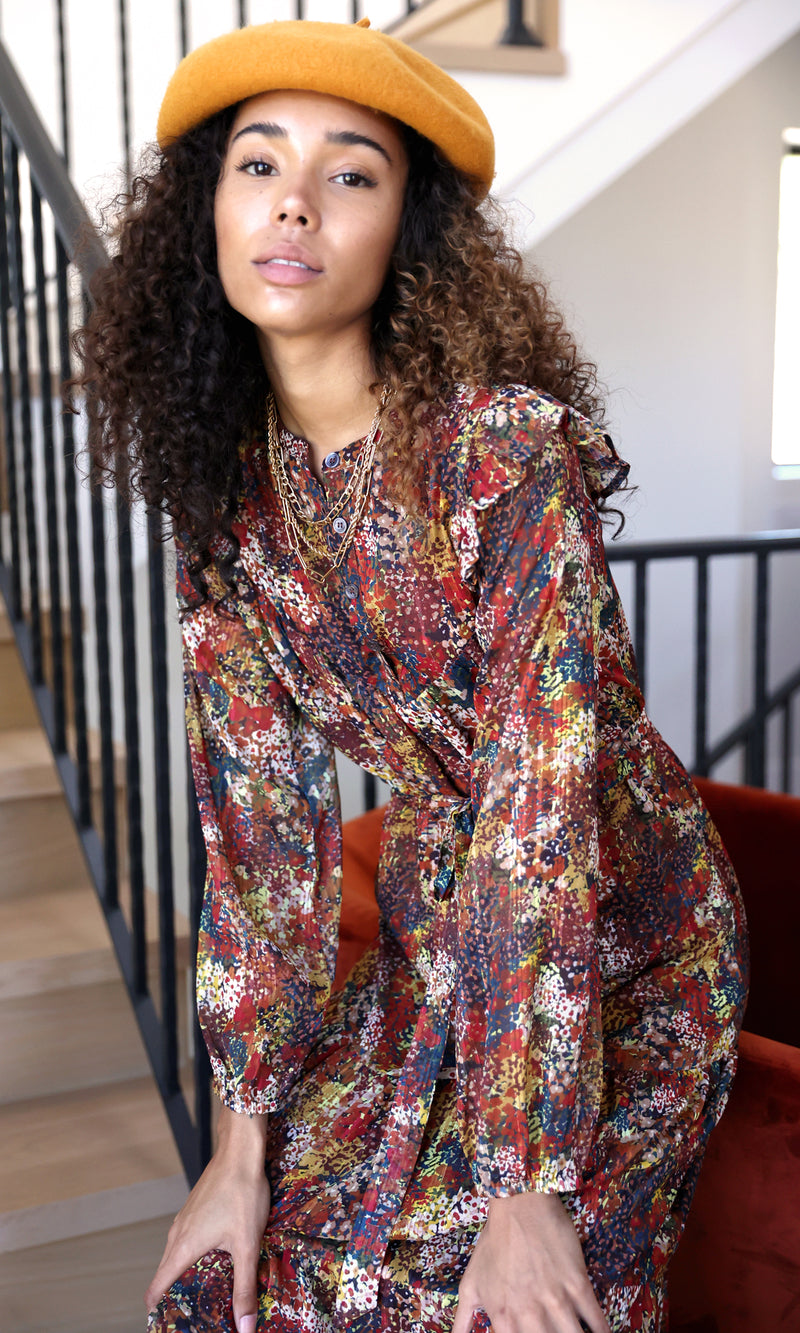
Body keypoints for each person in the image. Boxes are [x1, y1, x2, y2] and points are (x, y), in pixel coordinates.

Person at [74, 18, 749, 1333]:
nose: (295, 203)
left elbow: (539, 818)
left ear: (408, 234)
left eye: (351, 173)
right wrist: (237, 1150)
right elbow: (257, 845)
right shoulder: (228, 501)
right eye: (258, 163)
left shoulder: (505, 461)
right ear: (207, 211)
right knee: (239, 1291)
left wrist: (524, 1185)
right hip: (434, 933)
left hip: (619, 941)